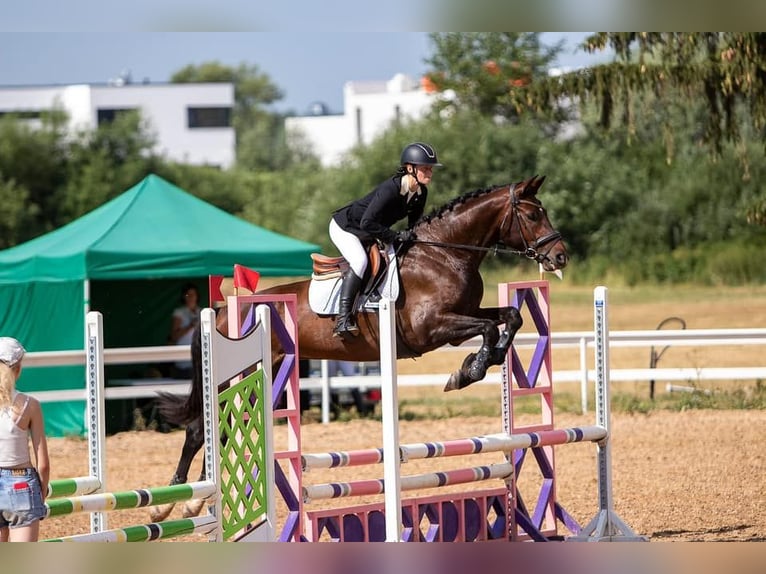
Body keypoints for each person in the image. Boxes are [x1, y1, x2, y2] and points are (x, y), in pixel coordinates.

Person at [329, 142, 442, 338]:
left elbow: (414, 225)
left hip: (370, 230)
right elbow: (366, 222)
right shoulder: (391, 189)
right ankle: (343, 319)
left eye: (430, 168)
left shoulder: (420, 193)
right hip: (347, 227)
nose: (430, 173)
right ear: (410, 168)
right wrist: (395, 236)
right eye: (425, 168)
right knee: (360, 261)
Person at [0, 337, 50, 542]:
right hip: (20, 483)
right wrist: (42, 491)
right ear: (18, 368)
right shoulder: (30, 405)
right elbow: (44, 463)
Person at [169, 283, 201, 378]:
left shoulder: (202, 312)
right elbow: (174, 336)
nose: (190, 297)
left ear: (197, 296)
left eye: (193, 294)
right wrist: (190, 326)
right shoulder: (179, 312)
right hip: (183, 360)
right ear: (184, 297)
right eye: (188, 295)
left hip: (198, 358)